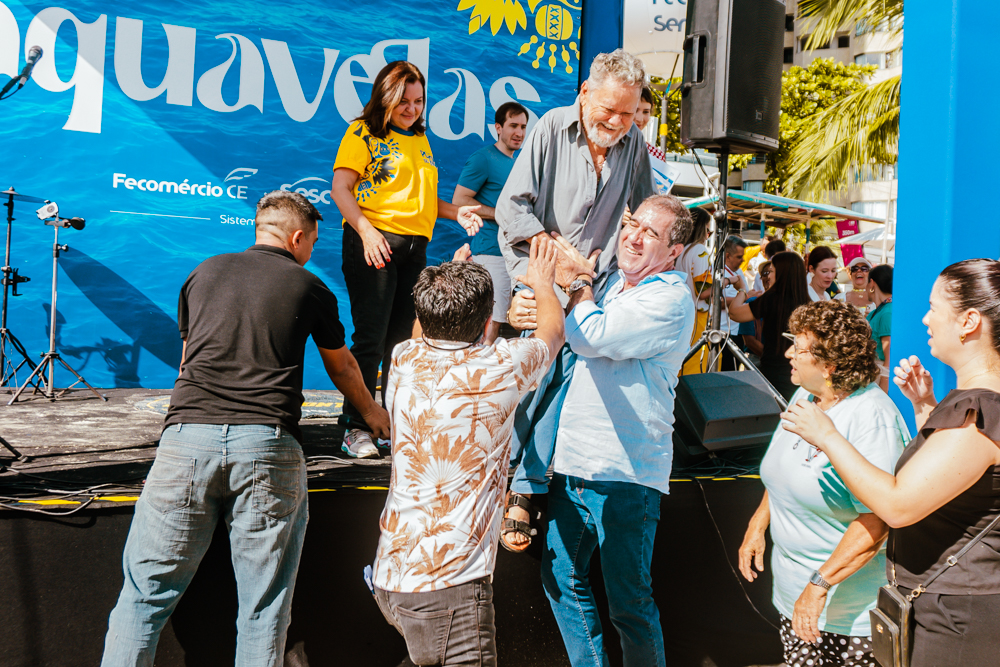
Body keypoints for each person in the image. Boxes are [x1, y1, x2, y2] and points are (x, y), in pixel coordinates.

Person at [101, 191, 391, 666]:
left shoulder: (203, 273)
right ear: (298, 237)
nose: (311, 251)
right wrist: (375, 416)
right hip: (266, 445)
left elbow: (188, 358)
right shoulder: (309, 285)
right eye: (312, 242)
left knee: (143, 597)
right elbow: (343, 370)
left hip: (185, 439)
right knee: (262, 608)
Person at [781, 258, 1000, 667]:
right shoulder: (974, 405)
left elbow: (897, 506)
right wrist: (924, 407)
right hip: (950, 608)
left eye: (935, 308)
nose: (925, 319)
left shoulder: (979, 411)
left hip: (959, 619)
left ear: (969, 321)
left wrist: (827, 436)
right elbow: (951, 478)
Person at [371, 237, 564, 667]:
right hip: (450, 586)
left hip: (392, 575)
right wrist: (545, 284)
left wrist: (447, 276)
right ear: (485, 320)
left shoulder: (404, 357)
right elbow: (552, 335)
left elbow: (424, 331)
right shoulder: (500, 367)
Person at [496, 49, 657, 544]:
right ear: (585, 93)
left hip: (594, 284)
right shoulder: (548, 128)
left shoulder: (631, 143)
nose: (618, 121)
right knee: (535, 382)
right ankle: (509, 481)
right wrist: (548, 269)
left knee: (570, 383)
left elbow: (644, 207)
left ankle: (527, 488)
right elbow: (512, 209)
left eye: (629, 114)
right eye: (610, 110)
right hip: (543, 273)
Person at [539, 195, 694, 667]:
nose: (633, 235)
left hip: (626, 473)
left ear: (673, 252)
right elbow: (577, 333)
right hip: (574, 463)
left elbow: (592, 336)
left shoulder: (670, 296)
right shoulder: (614, 288)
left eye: (650, 232)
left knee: (629, 601)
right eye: (631, 223)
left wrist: (579, 287)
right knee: (560, 578)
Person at [739, 299, 909, 667]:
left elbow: (878, 519)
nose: (787, 354)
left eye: (798, 350)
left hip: (847, 619)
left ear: (829, 366)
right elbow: (786, 469)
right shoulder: (807, 394)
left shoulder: (871, 418)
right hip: (795, 598)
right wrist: (758, 523)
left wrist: (819, 586)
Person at [331, 60, 483, 458]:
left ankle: (388, 423)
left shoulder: (419, 140)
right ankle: (354, 426)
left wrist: (457, 212)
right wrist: (366, 232)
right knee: (370, 338)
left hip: (415, 250)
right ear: (387, 96)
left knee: (399, 343)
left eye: (418, 101)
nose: (412, 109)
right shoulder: (361, 132)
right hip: (374, 243)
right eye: (404, 101)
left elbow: (424, 200)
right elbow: (341, 188)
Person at [452, 101, 529, 343]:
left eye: (523, 127)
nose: (518, 132)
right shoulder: (483, 158)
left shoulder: (519, 163)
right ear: (498, 127)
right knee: (489, 321)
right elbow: (459, 200)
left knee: (502, 323)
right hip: (489, 252)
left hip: (515, 255)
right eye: (513, 125)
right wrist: (500, 213)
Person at [728, 251, 812, 400]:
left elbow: (735, 313)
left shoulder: (772, 298)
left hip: (774, 370)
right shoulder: (808, 302)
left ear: (782, 273)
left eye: (771, 271)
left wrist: (742, 290)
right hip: (801, 371)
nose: (768, 277)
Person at [677, 207, 714, 374]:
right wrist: (726, 281)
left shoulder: (679, 250)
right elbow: (703, 292)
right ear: (702, 228)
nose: (709, 235)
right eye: (709, 230)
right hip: (697, 315)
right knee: (694, 363)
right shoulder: (699, 251)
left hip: (682, 312)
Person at [720, 234, 750, 370]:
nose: (743, 260)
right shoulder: (719, 274)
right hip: (724, 334)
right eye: (739, 257)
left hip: (736, 332)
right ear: (727, 256)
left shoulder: (737, 272)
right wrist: (744, 297)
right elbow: (716, 300)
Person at [866, 264, 893, 392]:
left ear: (872, 283)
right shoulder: (877, 312)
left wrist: (884, 386)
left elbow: (889, 354)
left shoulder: (887, 312)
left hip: (878, 374)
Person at [635, 86, 667, 161]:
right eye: (635, 110)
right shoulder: (606, 146)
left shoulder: (657, 155)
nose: (640, 119)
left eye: (646, 112)